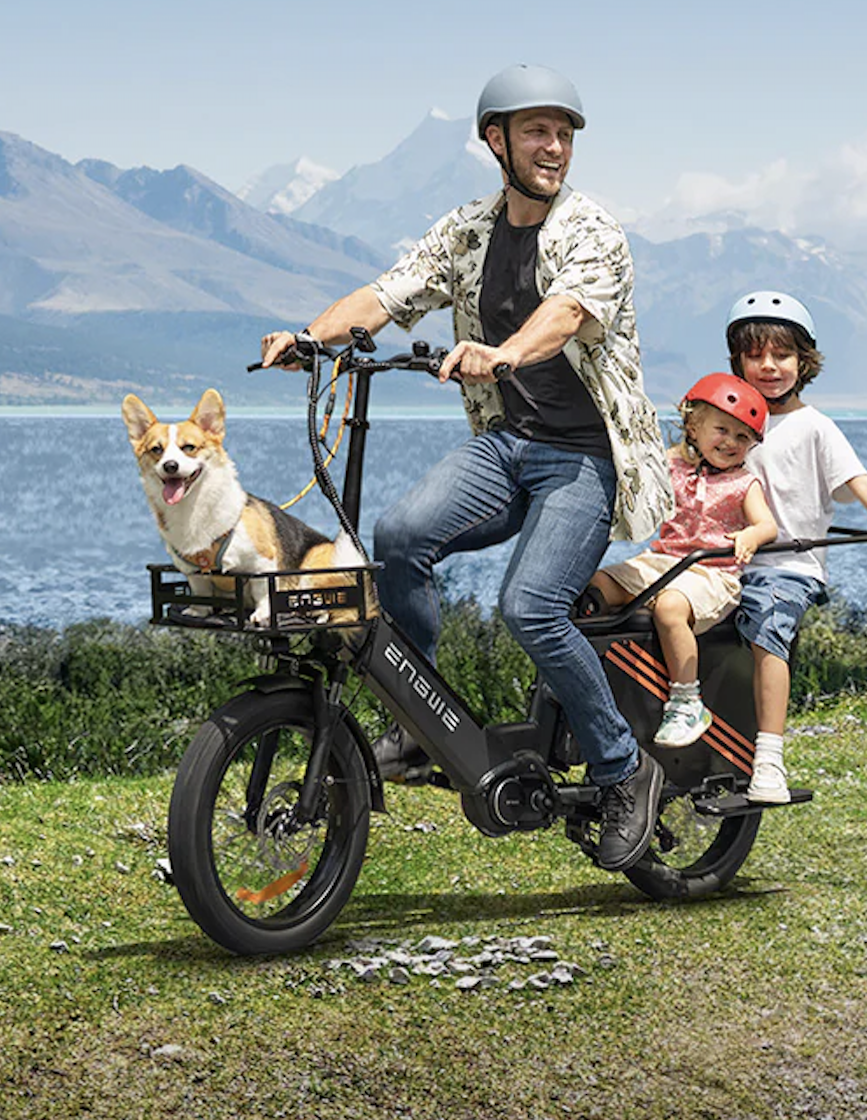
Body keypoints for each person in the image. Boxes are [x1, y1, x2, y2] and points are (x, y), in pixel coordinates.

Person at [258, 65, 673, 871]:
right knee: (399, 533)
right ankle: (418, 730)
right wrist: (308, 337)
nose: (553, 147)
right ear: (497, 142)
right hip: (508, 446)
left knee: (532, 606)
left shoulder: (595, 233)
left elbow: (567, 316)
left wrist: (505, 352)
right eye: (536, 132)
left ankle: (626, 768)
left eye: (563, 133)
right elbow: (386, 294)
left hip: (583, 459)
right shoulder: (468, 231)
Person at [720, 291, 867, 804]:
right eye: (755, 355)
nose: (768, 366)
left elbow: (862, 484)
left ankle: (769, 759)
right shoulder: (726, 422)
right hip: (728, 561)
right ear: (738, 361)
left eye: (782, 355)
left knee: (767, 624)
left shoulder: (815, 427)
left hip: (788, 564)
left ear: (803, 361)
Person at [585, 373, 777, 749]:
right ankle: (595, 684)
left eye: (743, 437)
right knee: (595, 588)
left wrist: (751, 536)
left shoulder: (743, 483)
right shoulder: (672, 465)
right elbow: (637, 468)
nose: (731, 443)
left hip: (712, 573)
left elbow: (767, 525)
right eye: (721, 429)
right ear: (693, 426)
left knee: (671, 608)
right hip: (664, 561)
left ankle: (687, 700)